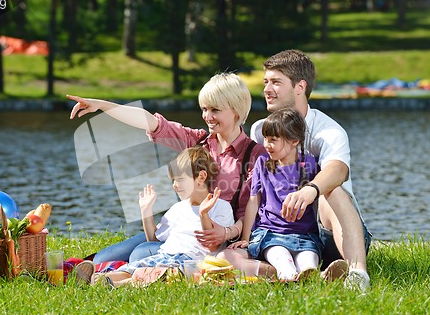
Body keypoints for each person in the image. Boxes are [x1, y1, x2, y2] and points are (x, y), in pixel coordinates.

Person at [67, 72, 267, 265]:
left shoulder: (254, 154)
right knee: (103, 258)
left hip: (214, 241)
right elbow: (151, 122)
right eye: (204, 109)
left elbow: (249, 211)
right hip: (181, 231)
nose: (207, 116)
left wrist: (227, 233)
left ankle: (127, 272)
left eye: (215, 110)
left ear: (236, 111)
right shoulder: (197, 142)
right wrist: (102, 105)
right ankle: (96, 269)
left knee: (139, 255)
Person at [249, 50, 372, 290]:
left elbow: (338, 170)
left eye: (276, 82)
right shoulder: (261, 130)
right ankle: (308, 273)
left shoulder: (328, 130)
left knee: (331, 189)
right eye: (265, 82)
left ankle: (357, 274)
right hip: (281, 232)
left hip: (332, 233)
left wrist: (311, 190)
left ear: (300, 87)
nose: (266, 89)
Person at [74, 146, 234, 286]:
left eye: (179, 180)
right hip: (165, 254)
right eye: (173, 181)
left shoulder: (220, 207)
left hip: (189, 260)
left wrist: (203, 214)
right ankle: (98, 279)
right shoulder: (178, 208)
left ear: (201, 177)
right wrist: (146, 211)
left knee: (156, 274)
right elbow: (153, 240)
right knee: (133, 268)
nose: (174, 186)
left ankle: (117, 285)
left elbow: (213, 246)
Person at [224, 108, 323, 282]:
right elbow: (253, 201)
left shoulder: (310, 164)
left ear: (294, 141)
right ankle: (288, 275)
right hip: (271, 234)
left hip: (304, 235)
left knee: (308, 258)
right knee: (280, 255)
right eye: (265, 139)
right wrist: (246, 237)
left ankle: (312, 273)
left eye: (273, 140)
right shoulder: (263, 163)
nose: (266, 144)